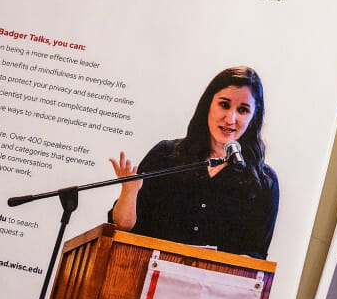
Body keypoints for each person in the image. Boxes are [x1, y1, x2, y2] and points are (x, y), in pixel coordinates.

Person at [109, 67, 279, 259]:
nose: (230, 118)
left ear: (253, 118)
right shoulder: (165, 155)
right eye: (224, 105)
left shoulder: (264, 182)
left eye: (243, 110)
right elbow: (122, 227)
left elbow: (255, 257)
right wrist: (129, 193)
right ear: (208, 105)